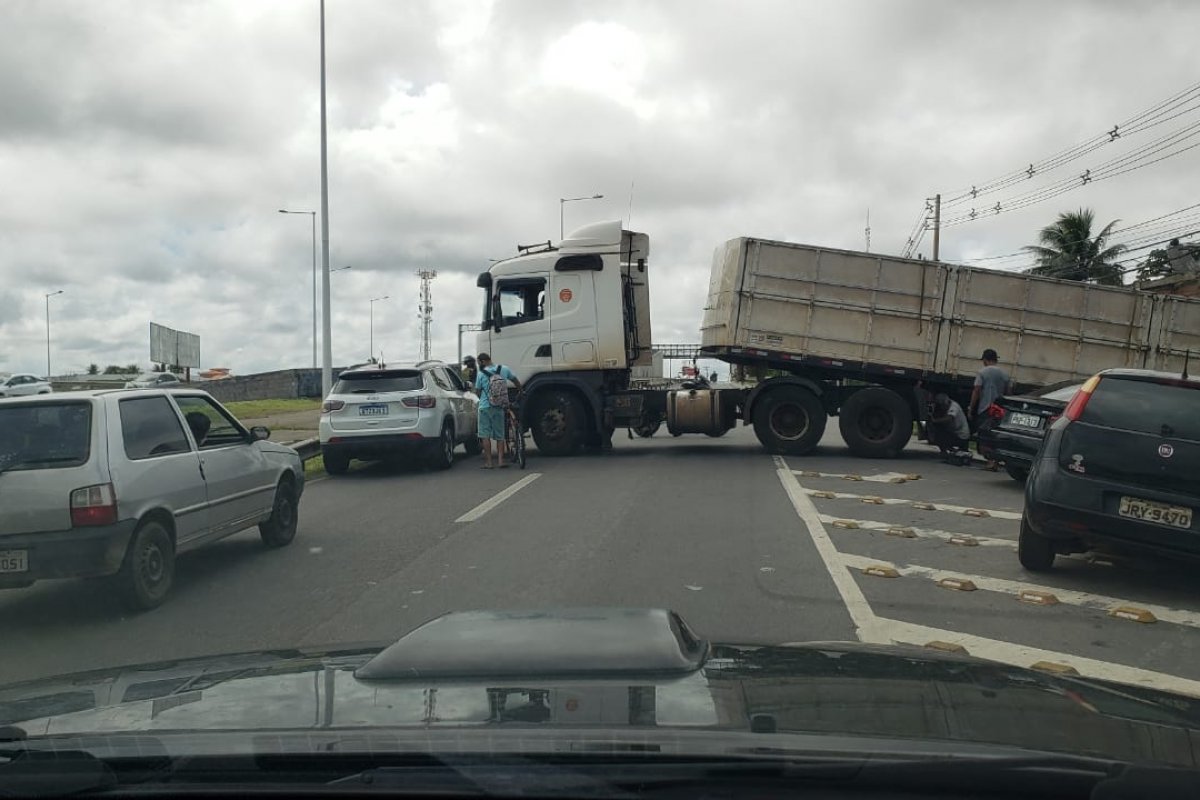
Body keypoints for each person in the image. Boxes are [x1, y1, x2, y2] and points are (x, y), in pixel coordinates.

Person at [474, 353, 522, 469]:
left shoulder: (481, 374)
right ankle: (501, 461)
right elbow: (515, 380)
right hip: (499, 406)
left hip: (485, 407)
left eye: (479, 362)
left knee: (485, 436)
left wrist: (484, 398)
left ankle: (489, 463)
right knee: (500, 436)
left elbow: (478, 391)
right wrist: (520, 390)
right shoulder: (504, 369)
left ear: (482, 361)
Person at [969, 348, 1010, 471]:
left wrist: (971, 407)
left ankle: (990, 462)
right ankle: (995, 461)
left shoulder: (982, 372)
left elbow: (977, 390)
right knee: (995, 435)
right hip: (999, 410)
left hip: (986, 408)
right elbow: (1008, 392)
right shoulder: (1004, 374)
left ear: (986, 360)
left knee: (983, 435)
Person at [928, 393, 970, 463]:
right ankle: (951, 450)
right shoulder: (948, 405)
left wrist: (935, 420)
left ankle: (948, 451)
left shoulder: (954, 406)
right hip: (956, 433)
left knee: (939, 431)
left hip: (961, 436)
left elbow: (949, 418)